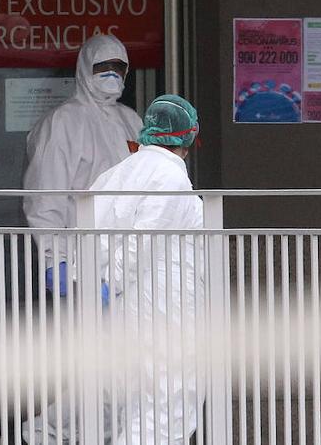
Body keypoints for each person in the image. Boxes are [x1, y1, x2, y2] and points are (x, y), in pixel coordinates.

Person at [94, 95, 204, 445]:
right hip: (164, 308)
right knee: (169, 402)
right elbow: (142, 241)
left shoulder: (115, 174)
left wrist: (102, 287)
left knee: (137, 403)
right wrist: (114, 281)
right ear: (189, 136)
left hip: (125, 310)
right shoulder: (170, 178)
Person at [23, 34, 143, 295]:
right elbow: (46, 196)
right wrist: (55, 260)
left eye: (118, 67)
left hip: (131, 260)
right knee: (81, 333)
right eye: (102, 67)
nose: (111, 74)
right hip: (81, 255)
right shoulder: (63, 122)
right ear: (85, 68)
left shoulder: (131, 120)